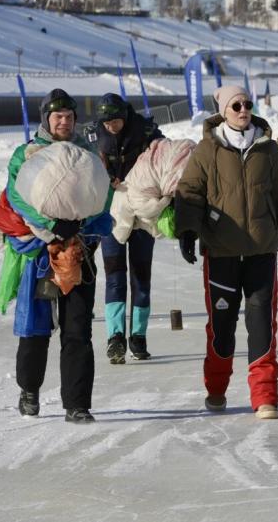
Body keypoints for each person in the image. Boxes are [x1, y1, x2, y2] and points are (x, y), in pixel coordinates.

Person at [175, 85, 278, 419]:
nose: (243, 109)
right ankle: (216, 388)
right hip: (221, 252)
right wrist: (188, 231)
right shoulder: (207, 150)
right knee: (222, 327)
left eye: (248, 104)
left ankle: (264, 397)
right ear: (224, 110)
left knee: (262, 323)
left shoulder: (267, 150)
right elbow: (189, 191)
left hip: (262, 250)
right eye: (236, 105)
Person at [5, 89, 112, 423]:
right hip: (39, 253)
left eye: (69, 116)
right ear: (46, 119)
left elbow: (102, 195)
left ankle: (77, 404)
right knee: (35, 328)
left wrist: (80, 225)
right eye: (57, 117)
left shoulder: (88, 153)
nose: (64, 122)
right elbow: (16, 197)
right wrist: (52, 225)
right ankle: (29, 391)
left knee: (77, 328)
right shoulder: (26, 154)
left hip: (79, 248)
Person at [85, 93, 164, 364]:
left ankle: (138, 336)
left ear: (125, 115)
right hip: (112, 217)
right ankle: (115, 337)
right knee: (115, 277)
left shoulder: (146, 130)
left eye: (116, 121)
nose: (111, 127)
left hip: (141, 214)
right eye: (106, 123)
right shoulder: (92, 135)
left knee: (141, 278)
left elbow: (165, 159)